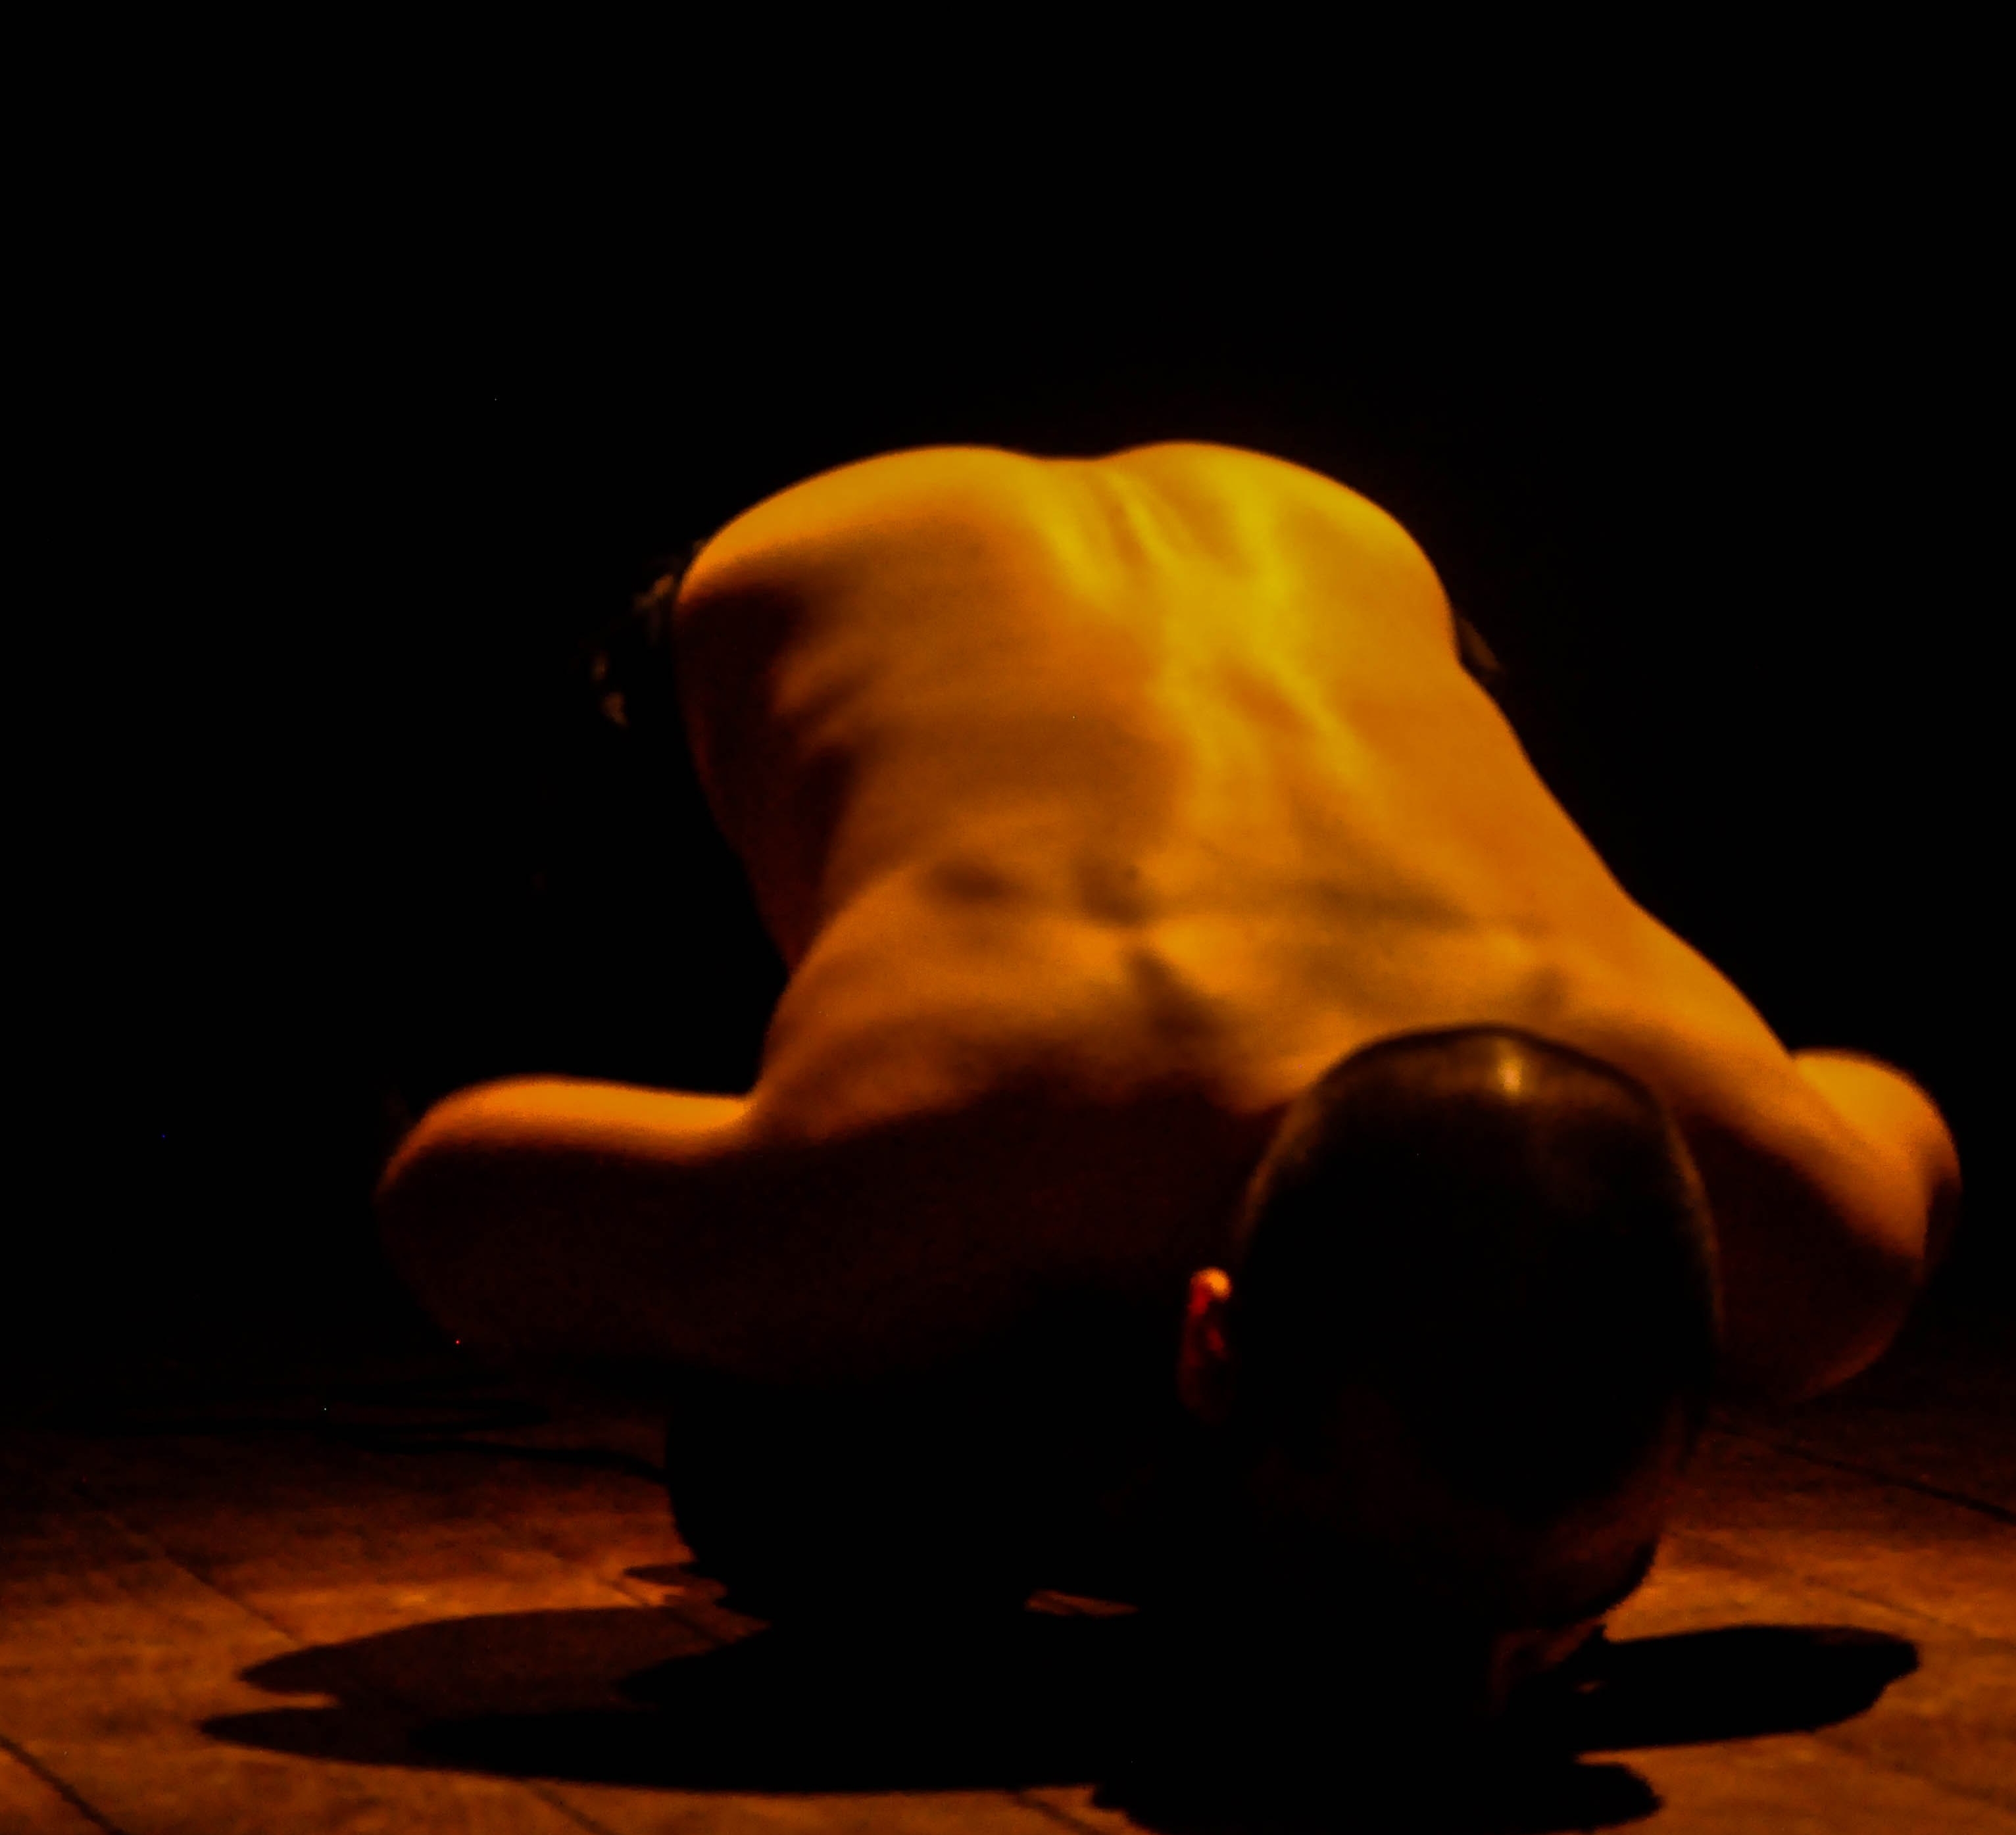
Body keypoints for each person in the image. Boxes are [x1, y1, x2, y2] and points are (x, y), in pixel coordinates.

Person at [376, 442, 1959, 1721]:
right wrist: (948, 1382)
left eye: (1580, 1599)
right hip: (798, 587)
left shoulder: (1812, 1238)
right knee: (813, 1498)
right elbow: (445, 1191)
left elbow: (1895, 1115)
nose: (1482, 1697)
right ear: (1205, 1343)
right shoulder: (922, 1170)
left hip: (1332, 565)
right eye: (1384, 1597)